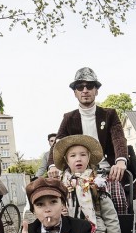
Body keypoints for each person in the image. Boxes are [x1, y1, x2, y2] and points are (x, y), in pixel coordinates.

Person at [47, 67, 128, 213]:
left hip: (107, 172)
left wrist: (120, 161)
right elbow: (58, 142)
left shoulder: (109, 114)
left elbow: (118, 138)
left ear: (96, 90)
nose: (85, 90)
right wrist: (52, 165)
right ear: (75, 92)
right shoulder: (68, 118)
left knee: (119, 202)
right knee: (61, 204)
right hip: (77, 172)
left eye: (89, 86)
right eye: (80, 86)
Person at [53, 134, 123, 233]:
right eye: (73, 156)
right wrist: (60, 214)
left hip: (95, 232)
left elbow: (110, 214)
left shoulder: (97, 183)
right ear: (66, 160)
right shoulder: (59, 186)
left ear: (89, 158)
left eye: (83, 155)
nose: (78, 158)